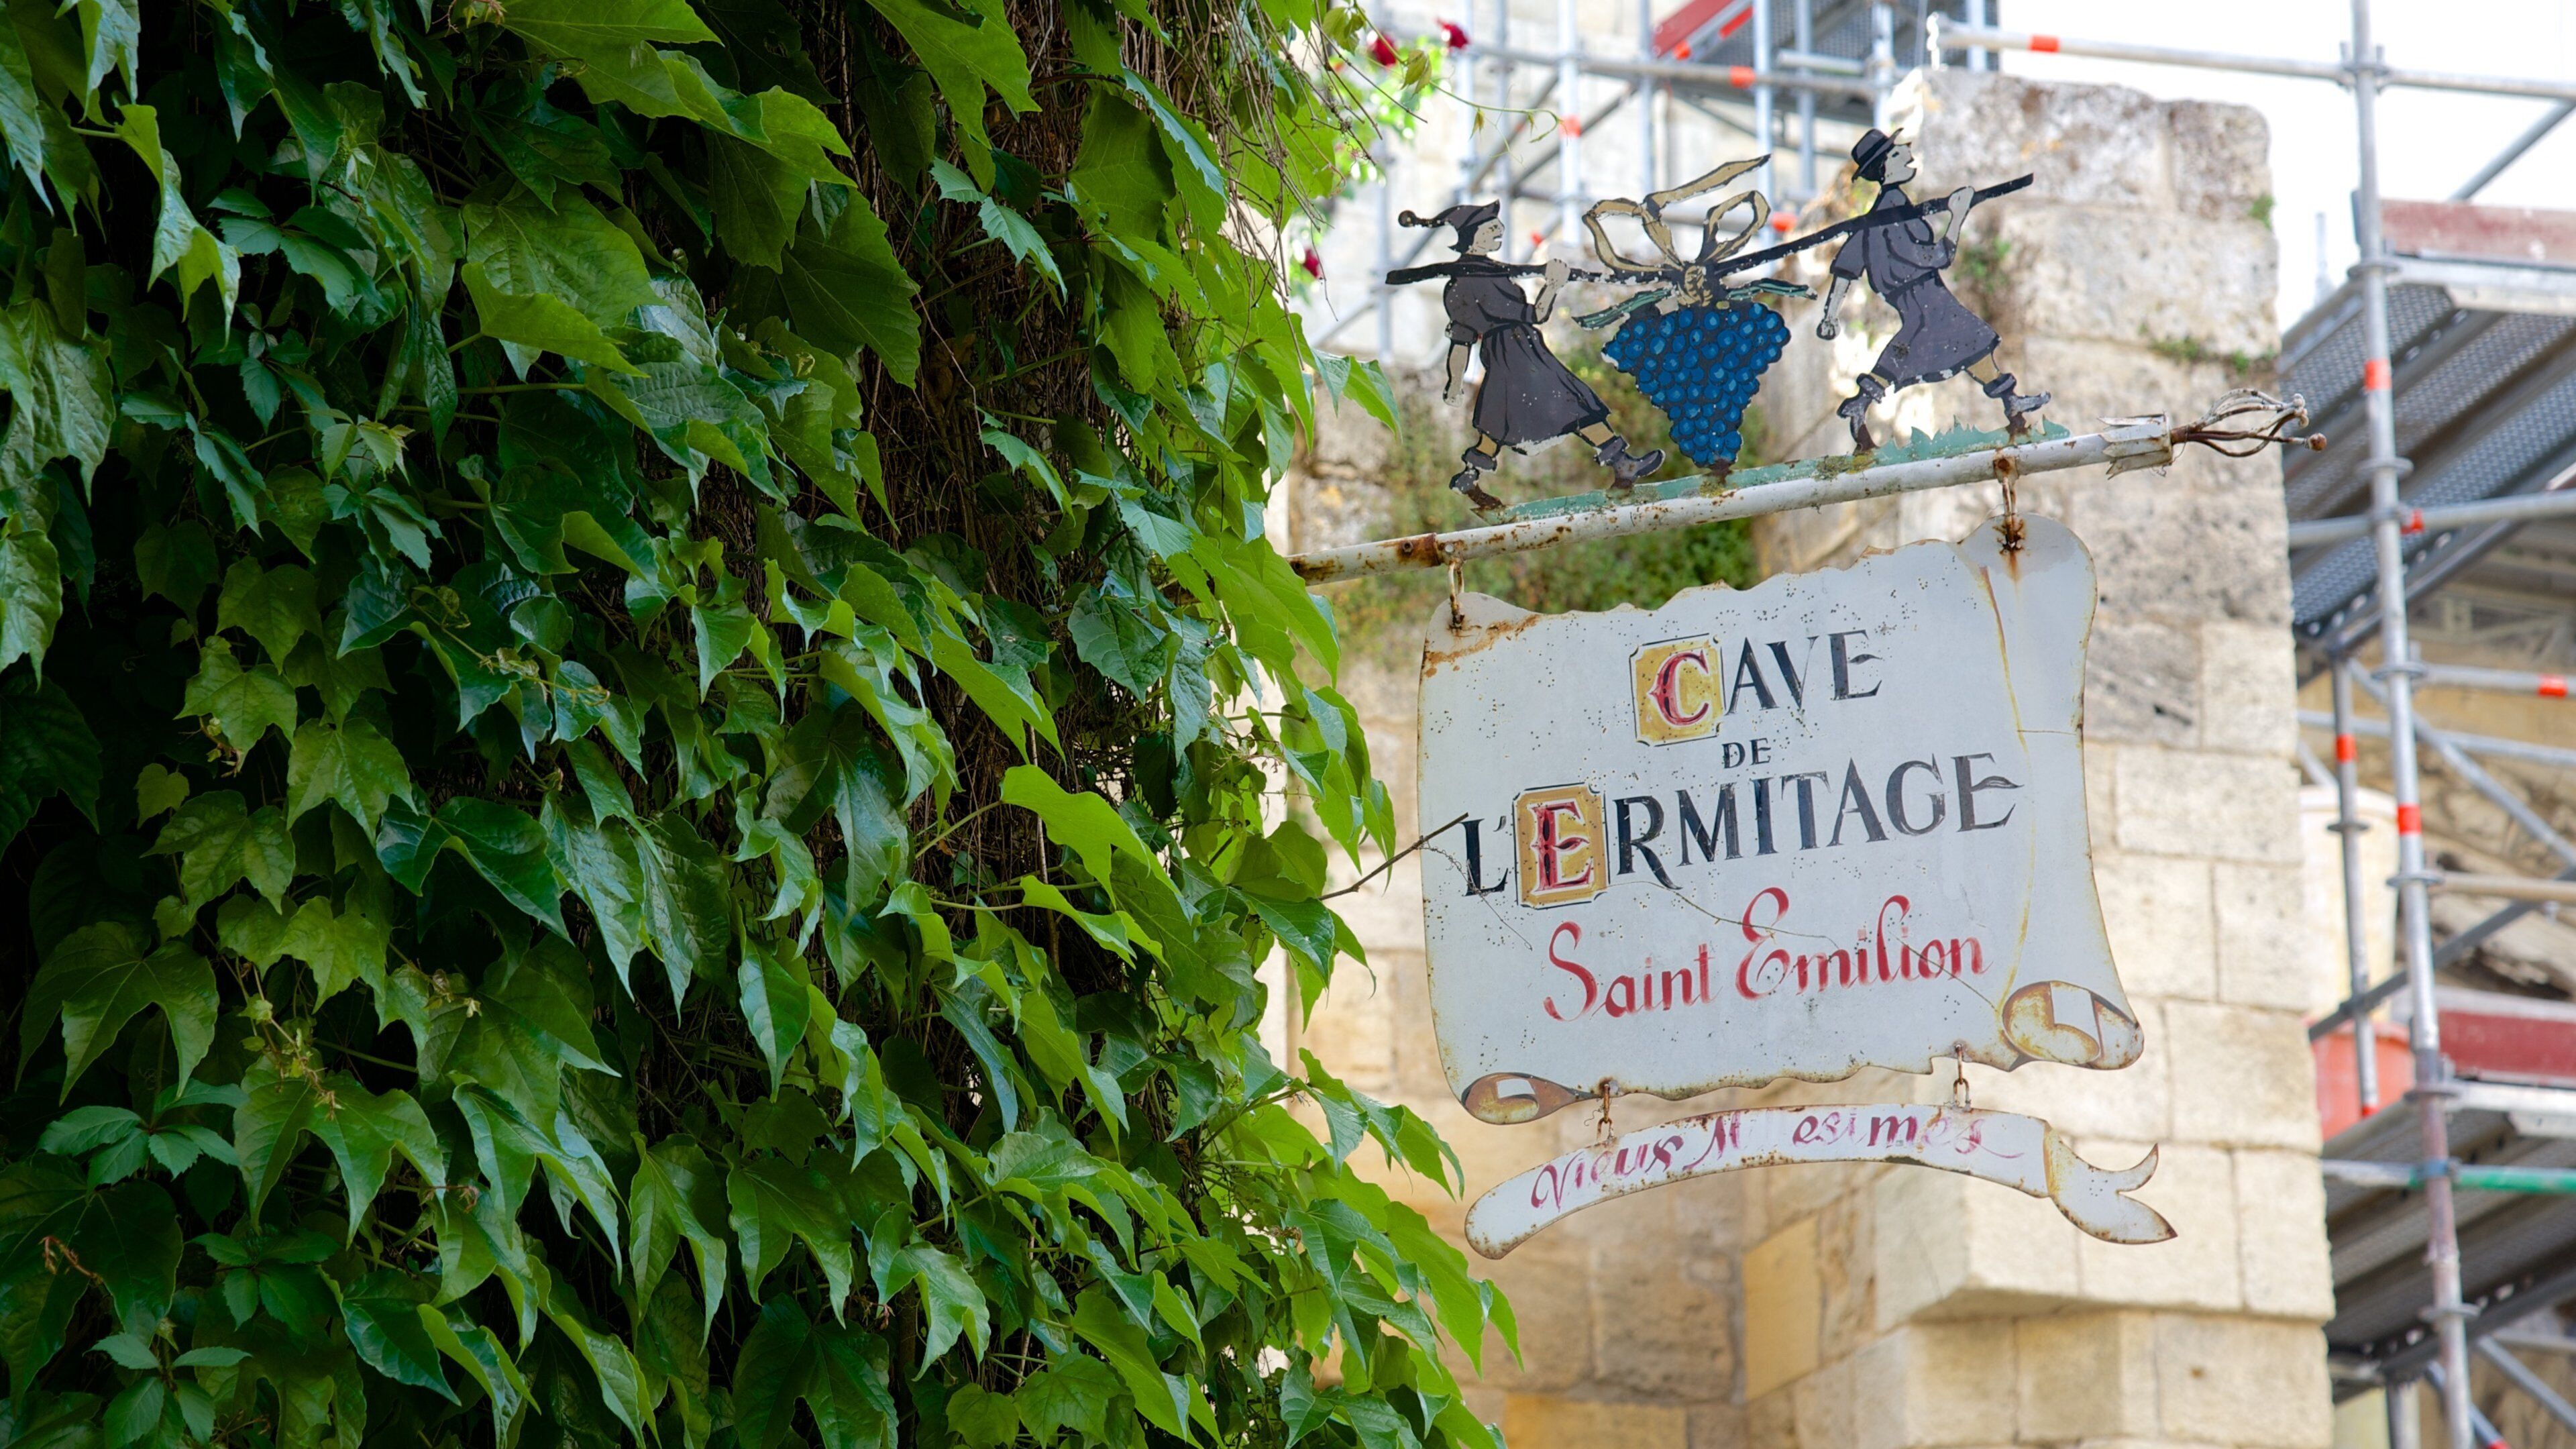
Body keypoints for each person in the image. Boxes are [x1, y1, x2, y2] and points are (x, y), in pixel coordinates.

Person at [1400, 202, 1664, 509]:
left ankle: (1470, 477)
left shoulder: (1460, 287)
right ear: (1473, 237)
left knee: (1501, 421)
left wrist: (1455, 383)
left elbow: (1463, 340)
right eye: (1490, 228)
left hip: (1509, 354)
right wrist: (1552, 285)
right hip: (1519, 353)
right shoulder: (1483, 282)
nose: (1499, 231)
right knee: (1571, 401)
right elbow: (1536, 314)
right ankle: (1622, 463)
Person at [1815, 129, 2049, 450]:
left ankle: (2011, 401)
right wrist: (1957, 217)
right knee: (1941, 346)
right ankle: (1861, 405)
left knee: (1970, 342)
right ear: (1885, 168)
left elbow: (1846, 269)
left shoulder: (1883, 217)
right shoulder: (1888, 217)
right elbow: (1938, 256)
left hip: (1929, 299)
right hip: (1923, 298)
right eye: (1898, 155)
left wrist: (1830, 315)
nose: (1908, 156)